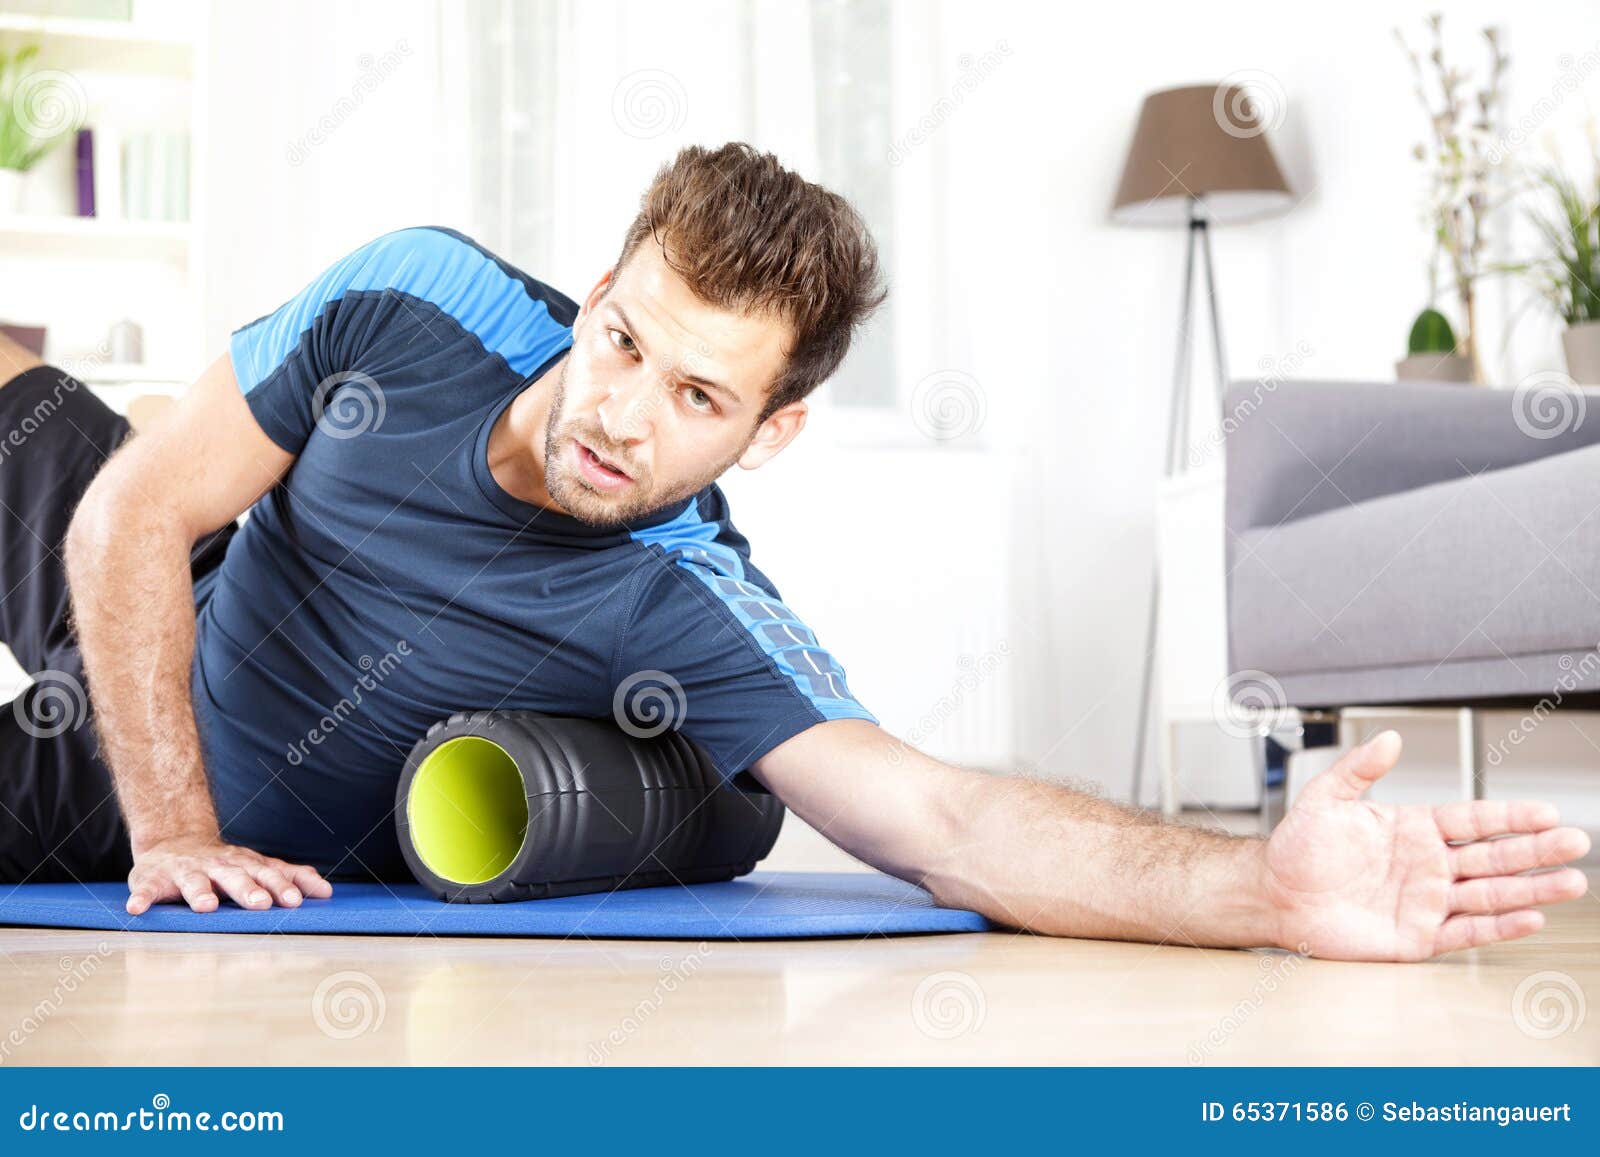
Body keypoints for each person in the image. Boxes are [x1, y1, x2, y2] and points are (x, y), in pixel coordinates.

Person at [0, 143, 1587, 961]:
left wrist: (1263, 887)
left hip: (112, 782)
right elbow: (140, 512)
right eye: (622, 339)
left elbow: (952, 818)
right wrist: (176, 828)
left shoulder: (686, 603)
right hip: (159, 664)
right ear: (603, 279)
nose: (620, 413)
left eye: (697, 396)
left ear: (769, 433)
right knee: (40, 419)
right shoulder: (415, 298)